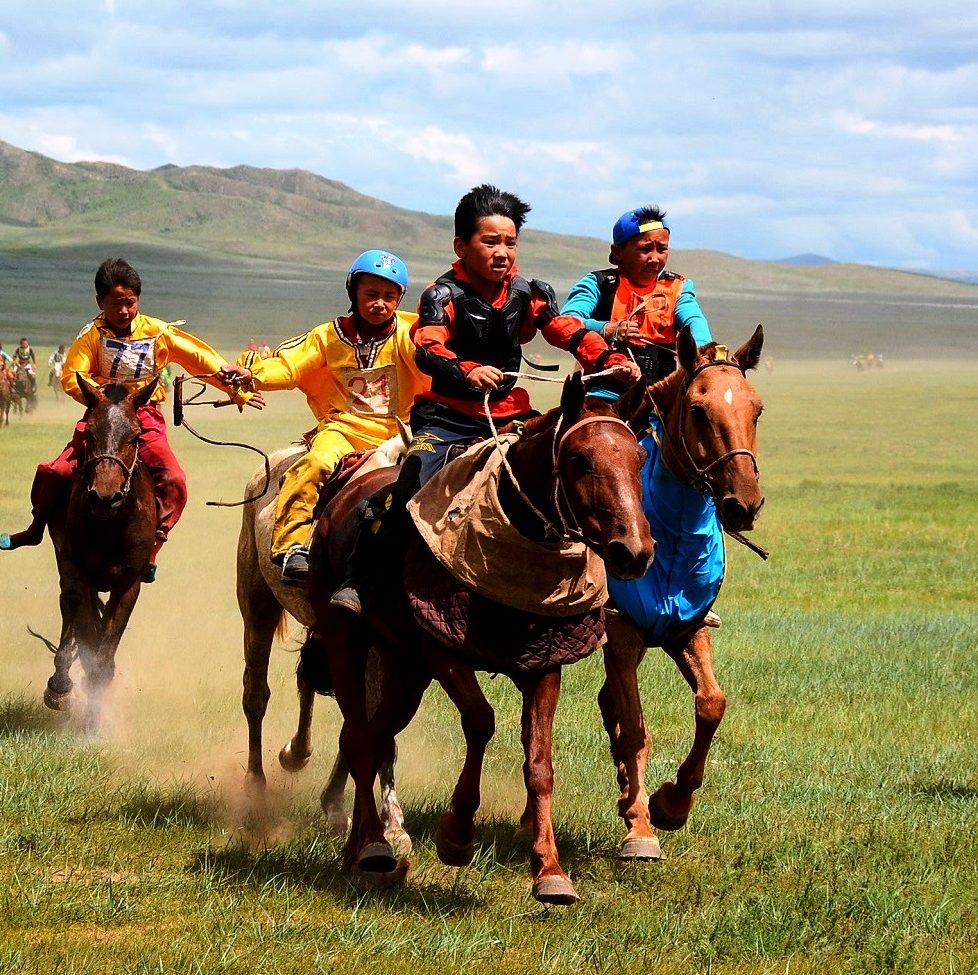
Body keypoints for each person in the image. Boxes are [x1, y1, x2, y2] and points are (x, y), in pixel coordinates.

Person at [330, 183, 640, 615]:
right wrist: (468, 369)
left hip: (514, 414)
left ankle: (594, 591)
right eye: (490, 241)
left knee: (577, 475)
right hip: (447, 418)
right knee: (411, 485)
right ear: (461, 245)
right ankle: (359, 580)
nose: (503, 252)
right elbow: (428, 346)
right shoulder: (442, 295)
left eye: (510, 242)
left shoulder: (529, 293)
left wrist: (609, 358)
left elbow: (565, 330)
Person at [0, 258, 263, 582]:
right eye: (116, 304)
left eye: (130, 303)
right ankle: (36, 528)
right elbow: (72, 376)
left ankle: (152, 549)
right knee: (56, 472)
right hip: (102, 417)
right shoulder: (91, 337)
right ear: (101, 303)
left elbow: (200, 359)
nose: (124, 310)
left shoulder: (158, 332)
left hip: (144, 419)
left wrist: (236, 392)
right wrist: (103, 400)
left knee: (175, 481)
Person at [219, 250, 430, 584]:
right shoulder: (327, 336)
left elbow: (435, 355)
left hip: (402, 431)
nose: (380, 304)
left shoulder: (411, 331)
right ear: (353, 293)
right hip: (344, 428)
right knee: (314, 463)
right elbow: (289, 364)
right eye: (371, 294)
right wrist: (251, 374)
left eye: (390, 296)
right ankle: (290, 548)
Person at [561, 204, 713, 383]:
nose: (655, 259)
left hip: (661, 394)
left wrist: (704, 351)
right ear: (617, 252)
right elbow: (566, 322)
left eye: (662, 249)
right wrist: (604, 329)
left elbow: (693, 320)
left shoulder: (678, 288)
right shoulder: (598, 284)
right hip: (604, 391)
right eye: (645, 249)